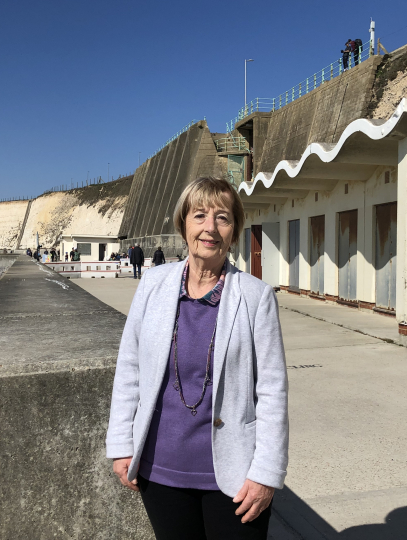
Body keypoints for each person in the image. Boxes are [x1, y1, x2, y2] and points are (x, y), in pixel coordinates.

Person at [107, 176, 288, 539]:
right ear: (183, 224)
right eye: (200, 215)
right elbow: (130, 367)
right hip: (161, 470)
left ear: (234, 231)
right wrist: (122, 445)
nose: (210, 228)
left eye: (222, 218)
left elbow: (272, 390)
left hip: (235, 476)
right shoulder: (153, 285)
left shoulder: (256, 297)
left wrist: (266, 473)